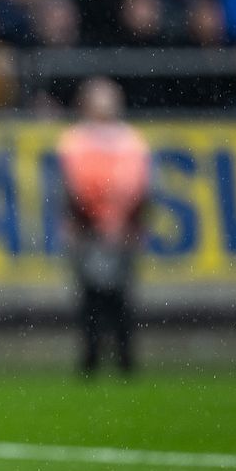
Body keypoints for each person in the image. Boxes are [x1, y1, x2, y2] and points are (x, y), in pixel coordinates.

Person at [57, 77, 150, 377]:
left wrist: (122, 221)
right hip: (90, 230)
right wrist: (99, 222)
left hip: (118, 231)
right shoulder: (76, 140)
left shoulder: (130, 141)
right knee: (91, 296)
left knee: (119, 296)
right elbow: (73, 189)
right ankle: (92, 358)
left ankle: (123, 358)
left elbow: (139, 188)